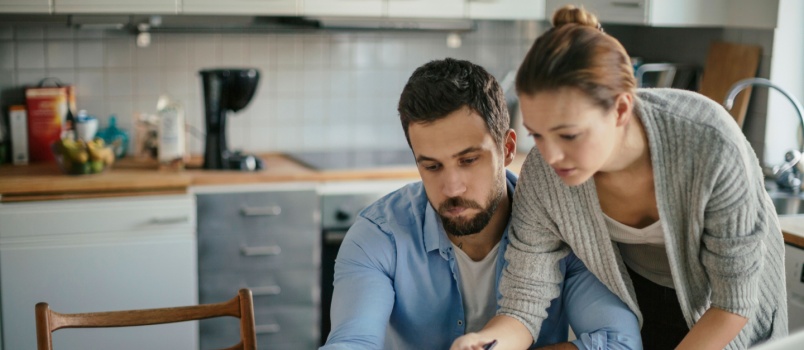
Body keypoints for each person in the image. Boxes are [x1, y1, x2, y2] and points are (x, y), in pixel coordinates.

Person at [451, 5, 788, 350]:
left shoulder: (709, 145)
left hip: (728, 317)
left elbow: (733, 302)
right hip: (640, 302)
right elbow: (524, 301)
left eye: (568, 135)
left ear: (622, 109)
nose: (550, 156)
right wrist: (484, 342)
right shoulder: (543, 176)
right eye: (537, 135)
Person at [320, 58, 641, 350]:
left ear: (508, 148)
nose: (452, 187)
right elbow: (352, 342)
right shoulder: (378, 237)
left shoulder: (562, 227)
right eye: (432, 166)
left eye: (469, 160)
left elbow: (619, 343)